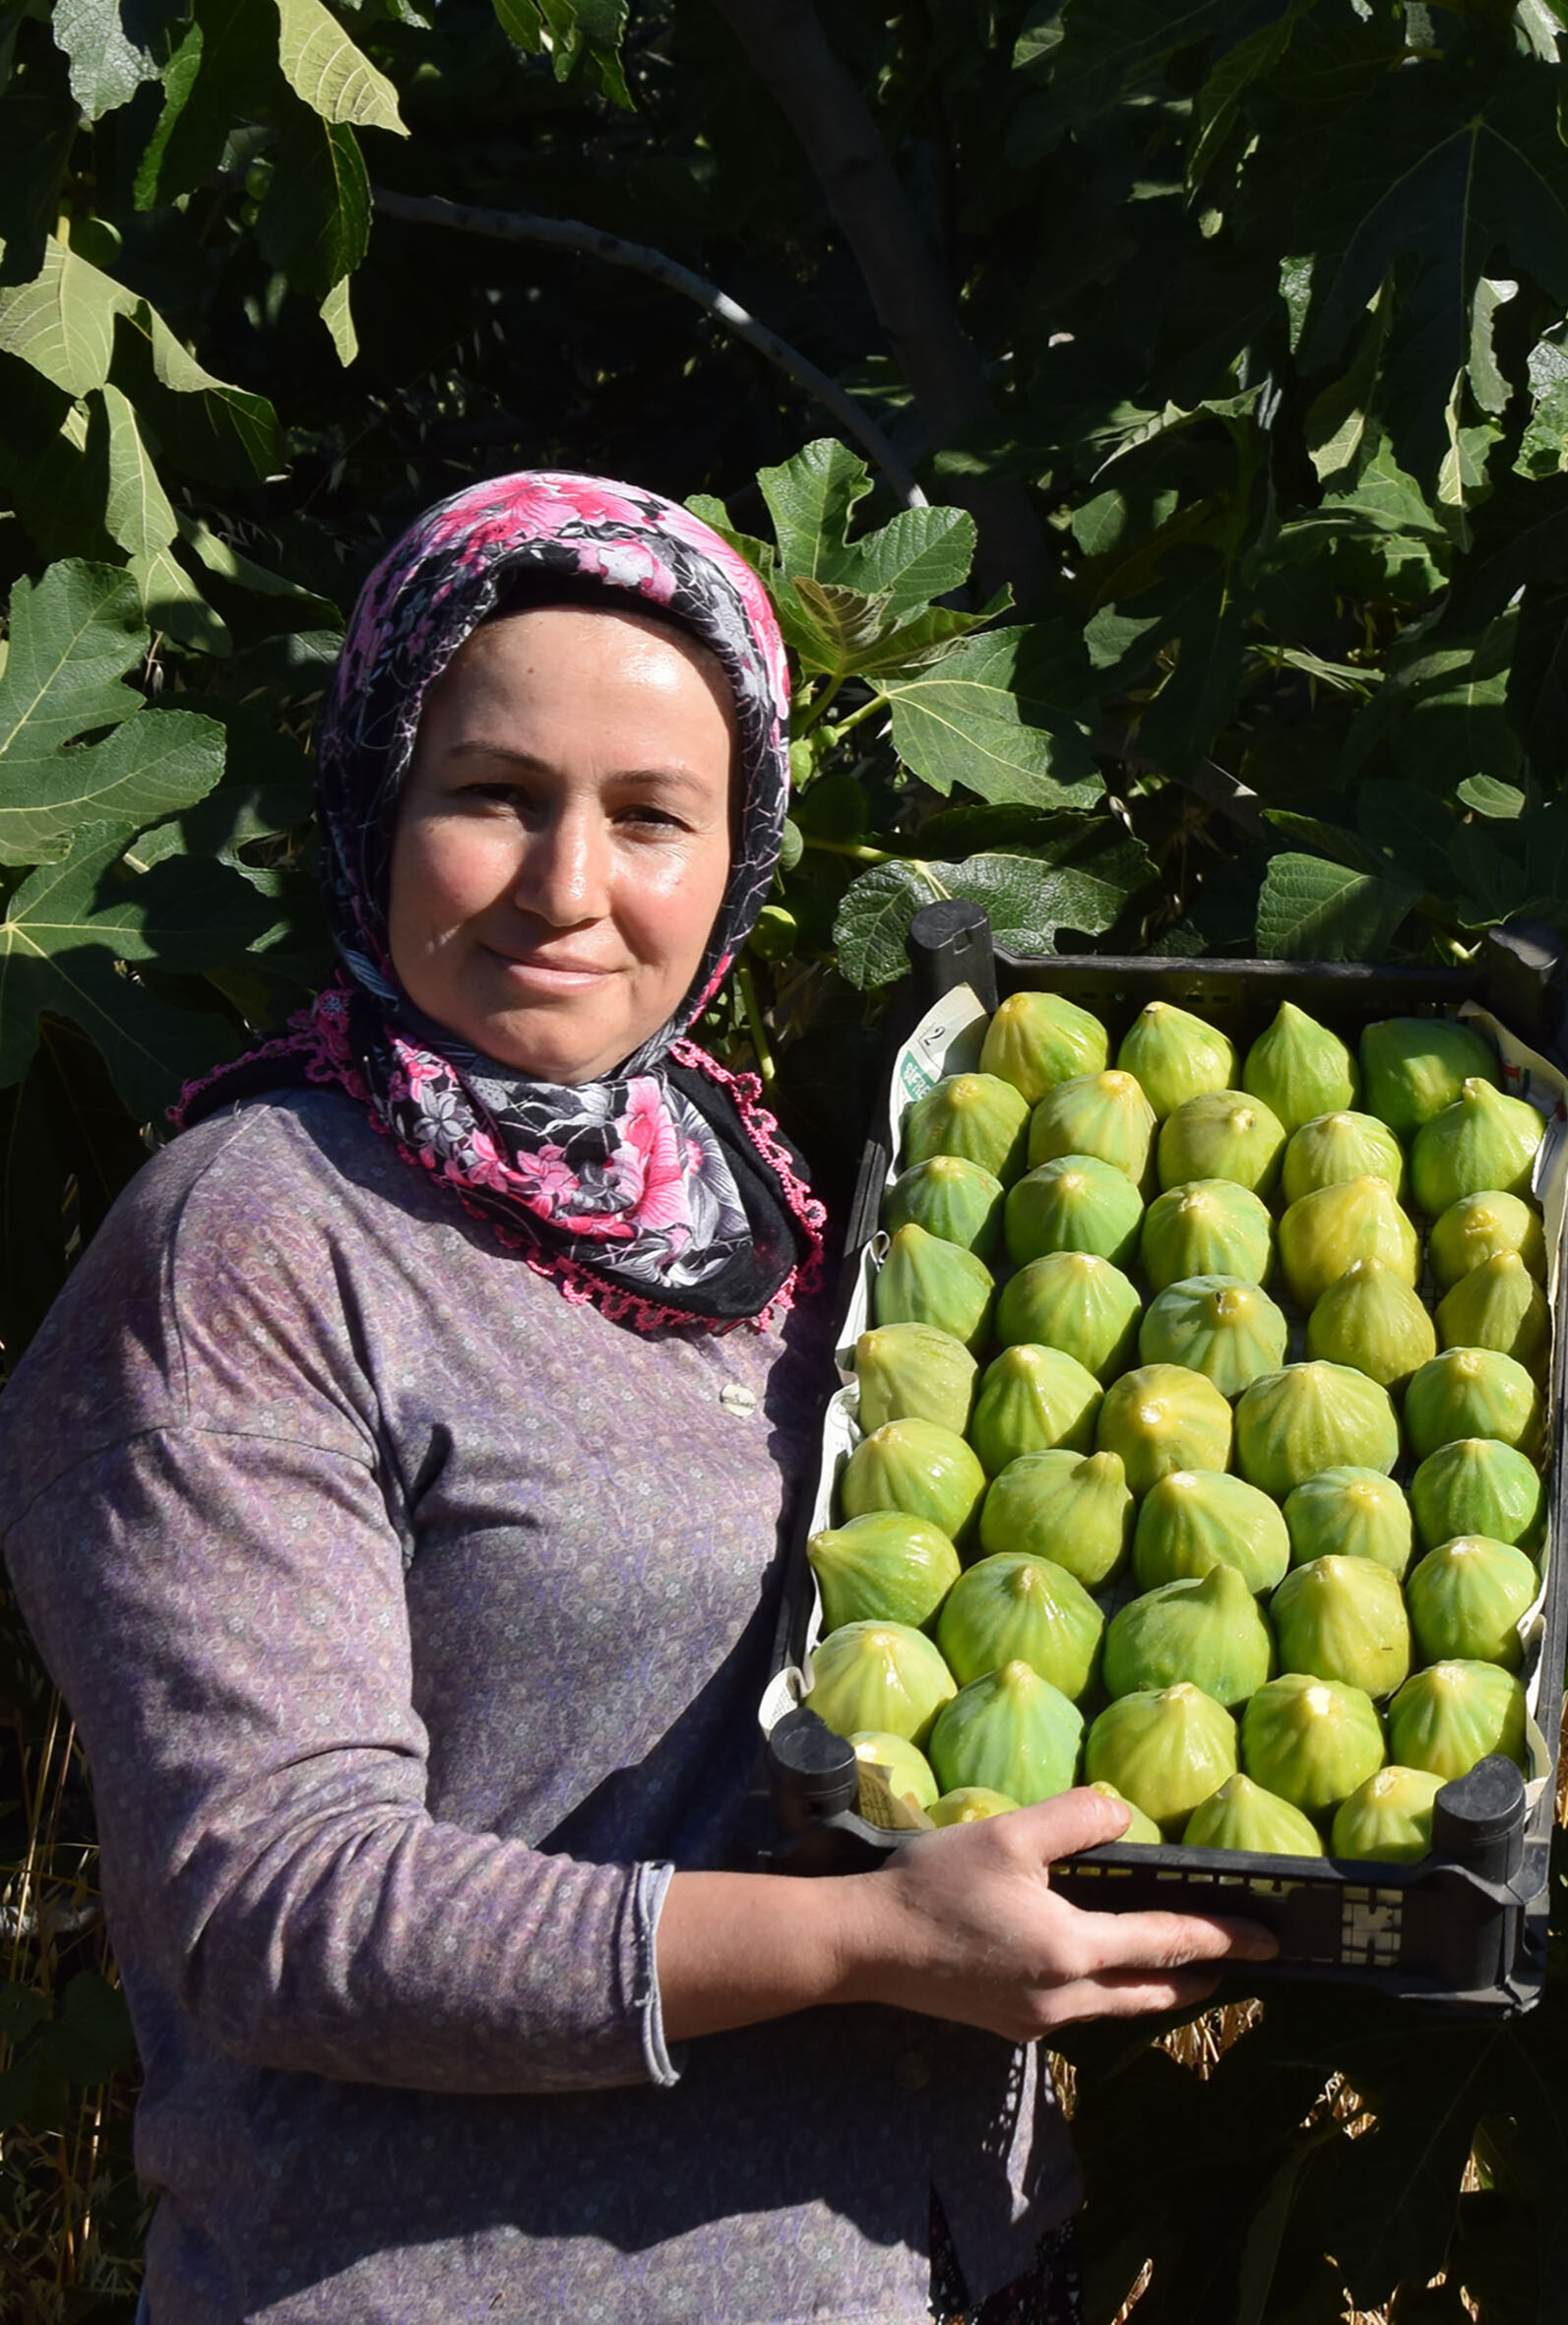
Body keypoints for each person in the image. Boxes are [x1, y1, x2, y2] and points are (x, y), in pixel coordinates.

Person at [0, 474, 1271, 2324]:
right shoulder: (257, 1244)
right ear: (371, 800)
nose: (569, 888)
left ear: (739, 846)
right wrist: (857, 1943)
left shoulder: (783, 1193)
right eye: (494, 797)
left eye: (652, 816)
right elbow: (271, 1905)